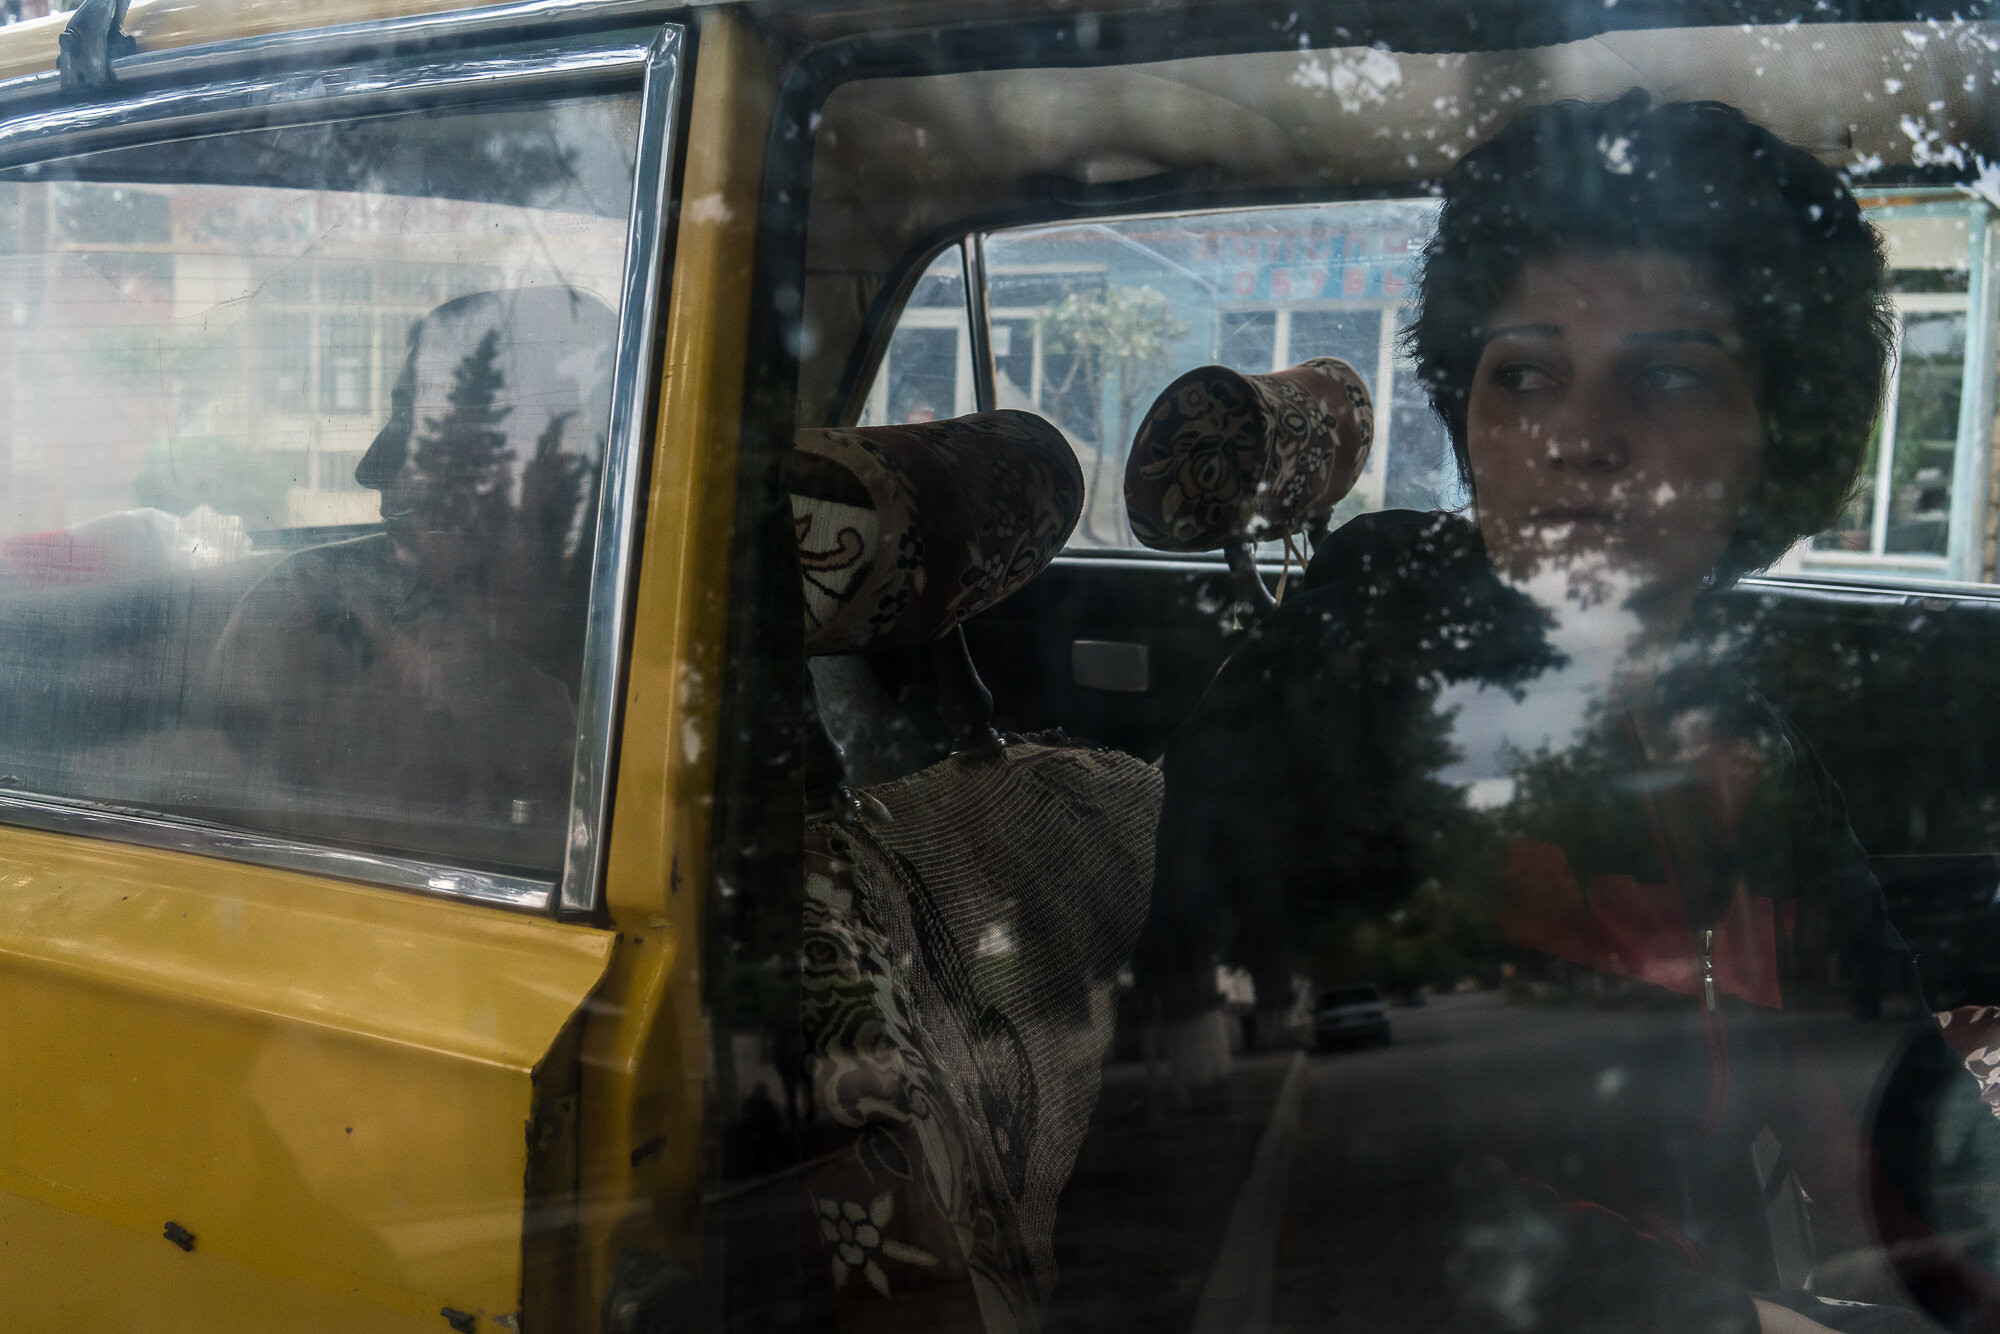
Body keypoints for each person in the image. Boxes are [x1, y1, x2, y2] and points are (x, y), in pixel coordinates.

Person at [1141, 92, 1967, 1332]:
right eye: (1522, 370)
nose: (1575, 434)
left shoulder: (1730, 717)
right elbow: (1325, 1153)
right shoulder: (1364, 652)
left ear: (1777, 438)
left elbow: (1877, 1064)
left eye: (1669, 377)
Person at [209, 286, 618, 869]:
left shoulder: (648, 663)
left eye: (419, 426)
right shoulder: (310, 602)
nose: (371, 466)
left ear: (550, 463)